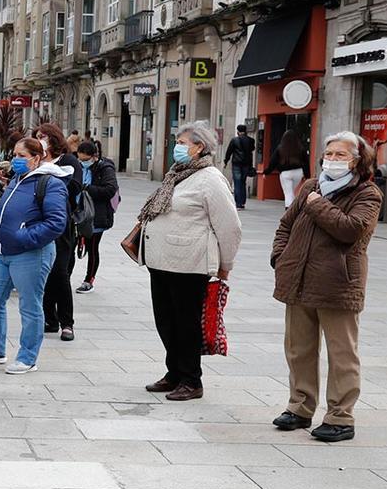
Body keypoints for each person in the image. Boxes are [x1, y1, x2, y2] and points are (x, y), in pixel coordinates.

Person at [271, 132, 382, 442]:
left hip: (338, 284)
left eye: (340, 155)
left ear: (358, 161)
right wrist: (280, 256)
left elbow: (351, 229)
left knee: (342, 354)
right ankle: (300, 407)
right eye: (329, 154)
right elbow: (286, 225)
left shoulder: (367, 193)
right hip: (299, 280)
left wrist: (318, 205)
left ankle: (340, 416)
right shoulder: (311, 186)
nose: (332, 160)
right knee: (298, 349)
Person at [137, 121, 242, 401]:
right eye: (178, 141)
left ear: (200, 147)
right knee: (166, 320)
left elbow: (230, 225)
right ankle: (174, 373)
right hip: (161, 260)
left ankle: (191, 379)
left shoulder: (210, 178)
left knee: (186, 323)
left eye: (183, 143)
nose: (178, 147)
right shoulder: (177, 174)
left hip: (189, 262)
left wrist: (226, 264)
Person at [0, 137, 70, 373]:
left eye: (21, 156)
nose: (15, 160)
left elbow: (56, 223)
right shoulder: (18, 179)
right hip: (4, 252)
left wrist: (23, 238)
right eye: (14, 154)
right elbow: (5, 209)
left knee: (29, 305)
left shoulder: (50, 183)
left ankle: (27, 357)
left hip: (31, 254)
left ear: (36, 158)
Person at [35, 123, 83, 341]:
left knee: (60, 273)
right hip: (38, 223)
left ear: (53, 139)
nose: (40, 140)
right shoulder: (36, 160)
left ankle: (67, 323)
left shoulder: (69, 161)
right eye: (37, 137)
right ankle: (49, 319)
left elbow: (75, 189)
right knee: (43, 273)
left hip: (62, 225)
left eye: (43, 136)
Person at [75, 140, 118, 294]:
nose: (82, 162)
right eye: (80, 159)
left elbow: (109, 190)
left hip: (97, 215)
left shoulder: (105, 168)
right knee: (71, 246)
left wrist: (87, 188)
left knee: (92, 248)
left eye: (85, 160)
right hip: (77, 214)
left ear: (94, 156)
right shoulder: (77, 166)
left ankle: (89, 280)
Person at [265, 129, 310, 209]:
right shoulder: (300, 148)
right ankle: (293, 207)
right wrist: (307, 175)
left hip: (285, 173)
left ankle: (289, 208)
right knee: (292, 191)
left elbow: (273, 162)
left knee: (288, 192)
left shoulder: (280, 148)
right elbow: (306, 162)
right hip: (298, 172)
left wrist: (267, 172)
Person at [223, 124, 256, 210]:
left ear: (238, 131)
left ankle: (238, 204)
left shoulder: (234, 140)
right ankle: (242, 202)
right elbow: (251, 151)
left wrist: (226, 161)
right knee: (243, 182)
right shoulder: (251, 140)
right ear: (245, 131)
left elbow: (229, 151)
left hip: (237, 164)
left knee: (237, 183)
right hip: (246, 164)